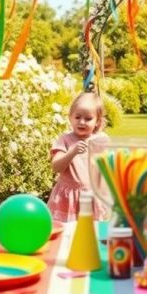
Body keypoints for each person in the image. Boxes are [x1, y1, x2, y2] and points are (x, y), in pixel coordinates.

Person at [49, 91, 109, 221]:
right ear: (70, 117)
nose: (82, 122)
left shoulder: (102, 140)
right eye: (77, 117)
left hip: (93, 196)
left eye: (88, 119)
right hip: (68, 197)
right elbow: (56, 167)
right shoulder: (64, 140)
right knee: (68, 232)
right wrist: (72, 152)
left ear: (97, 122)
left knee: (92, 231)